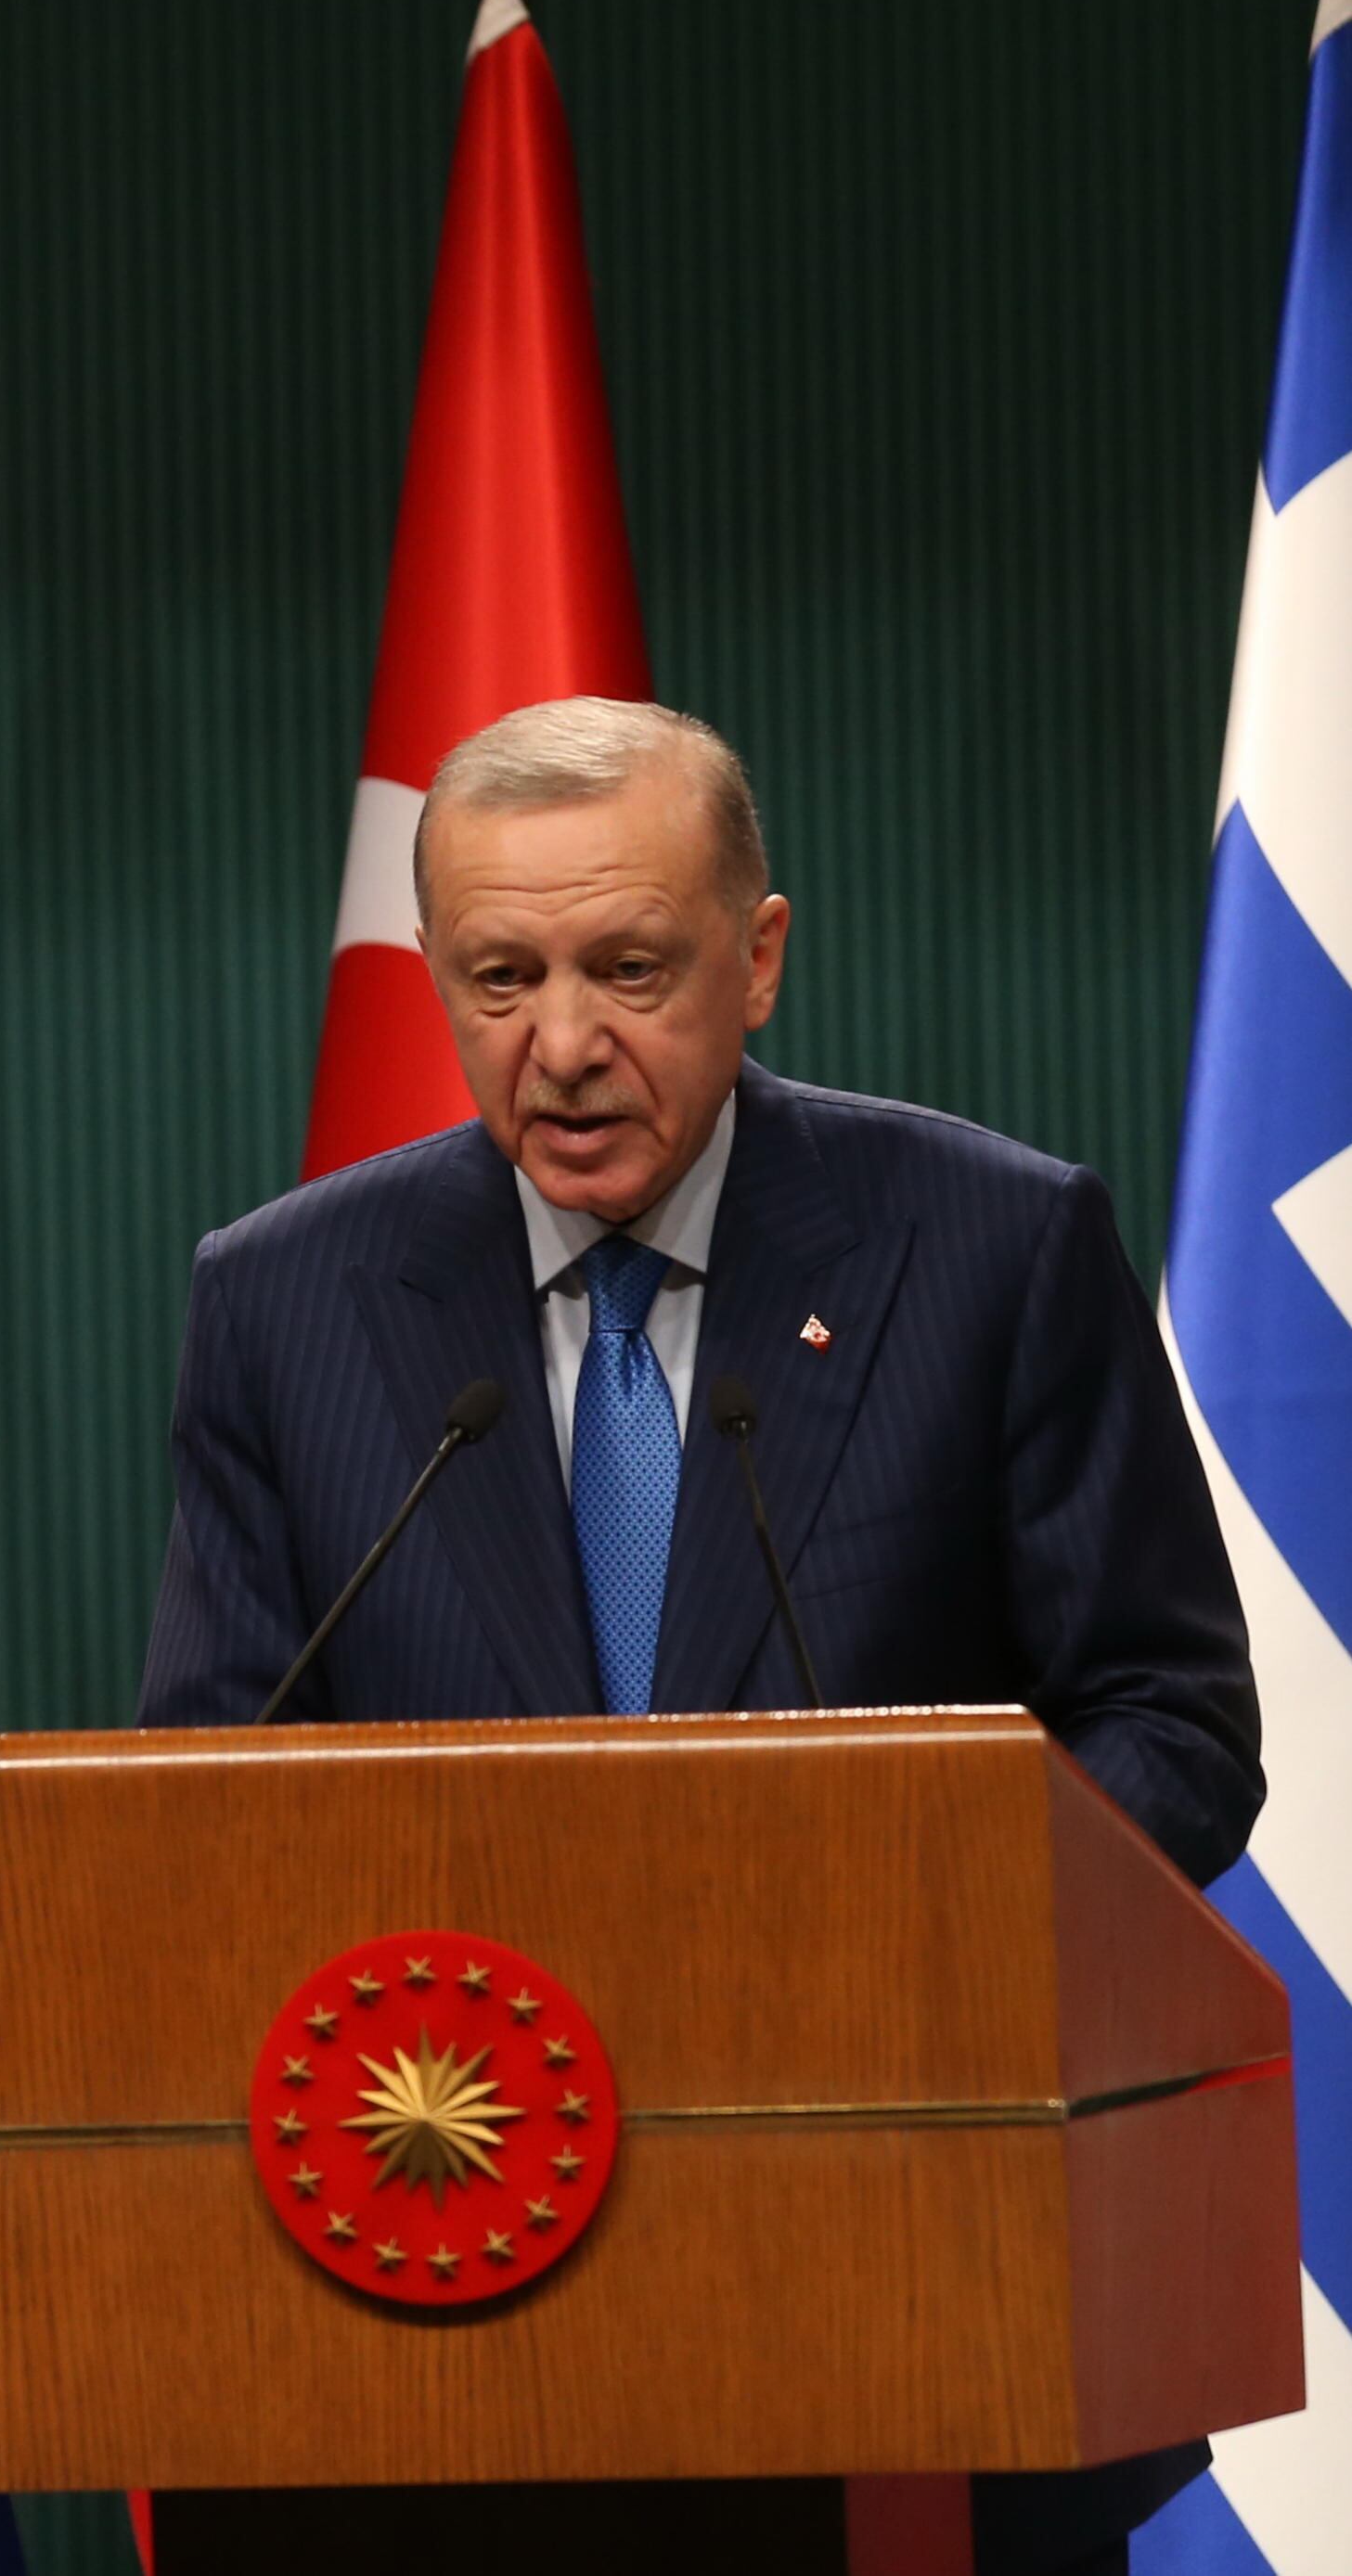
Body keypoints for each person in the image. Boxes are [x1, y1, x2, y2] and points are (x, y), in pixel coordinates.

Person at [141, 697, 1256, 2574]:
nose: (560, 1043)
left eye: (628, 967)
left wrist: (904, 1916)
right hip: (447, 2310)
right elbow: (207, 1793)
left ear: (757, 959)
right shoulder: (291, 1297)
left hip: (913, 2289)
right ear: (431, 974)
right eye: (499, 975)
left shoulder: (988, 1245)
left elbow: (1169, 1716)